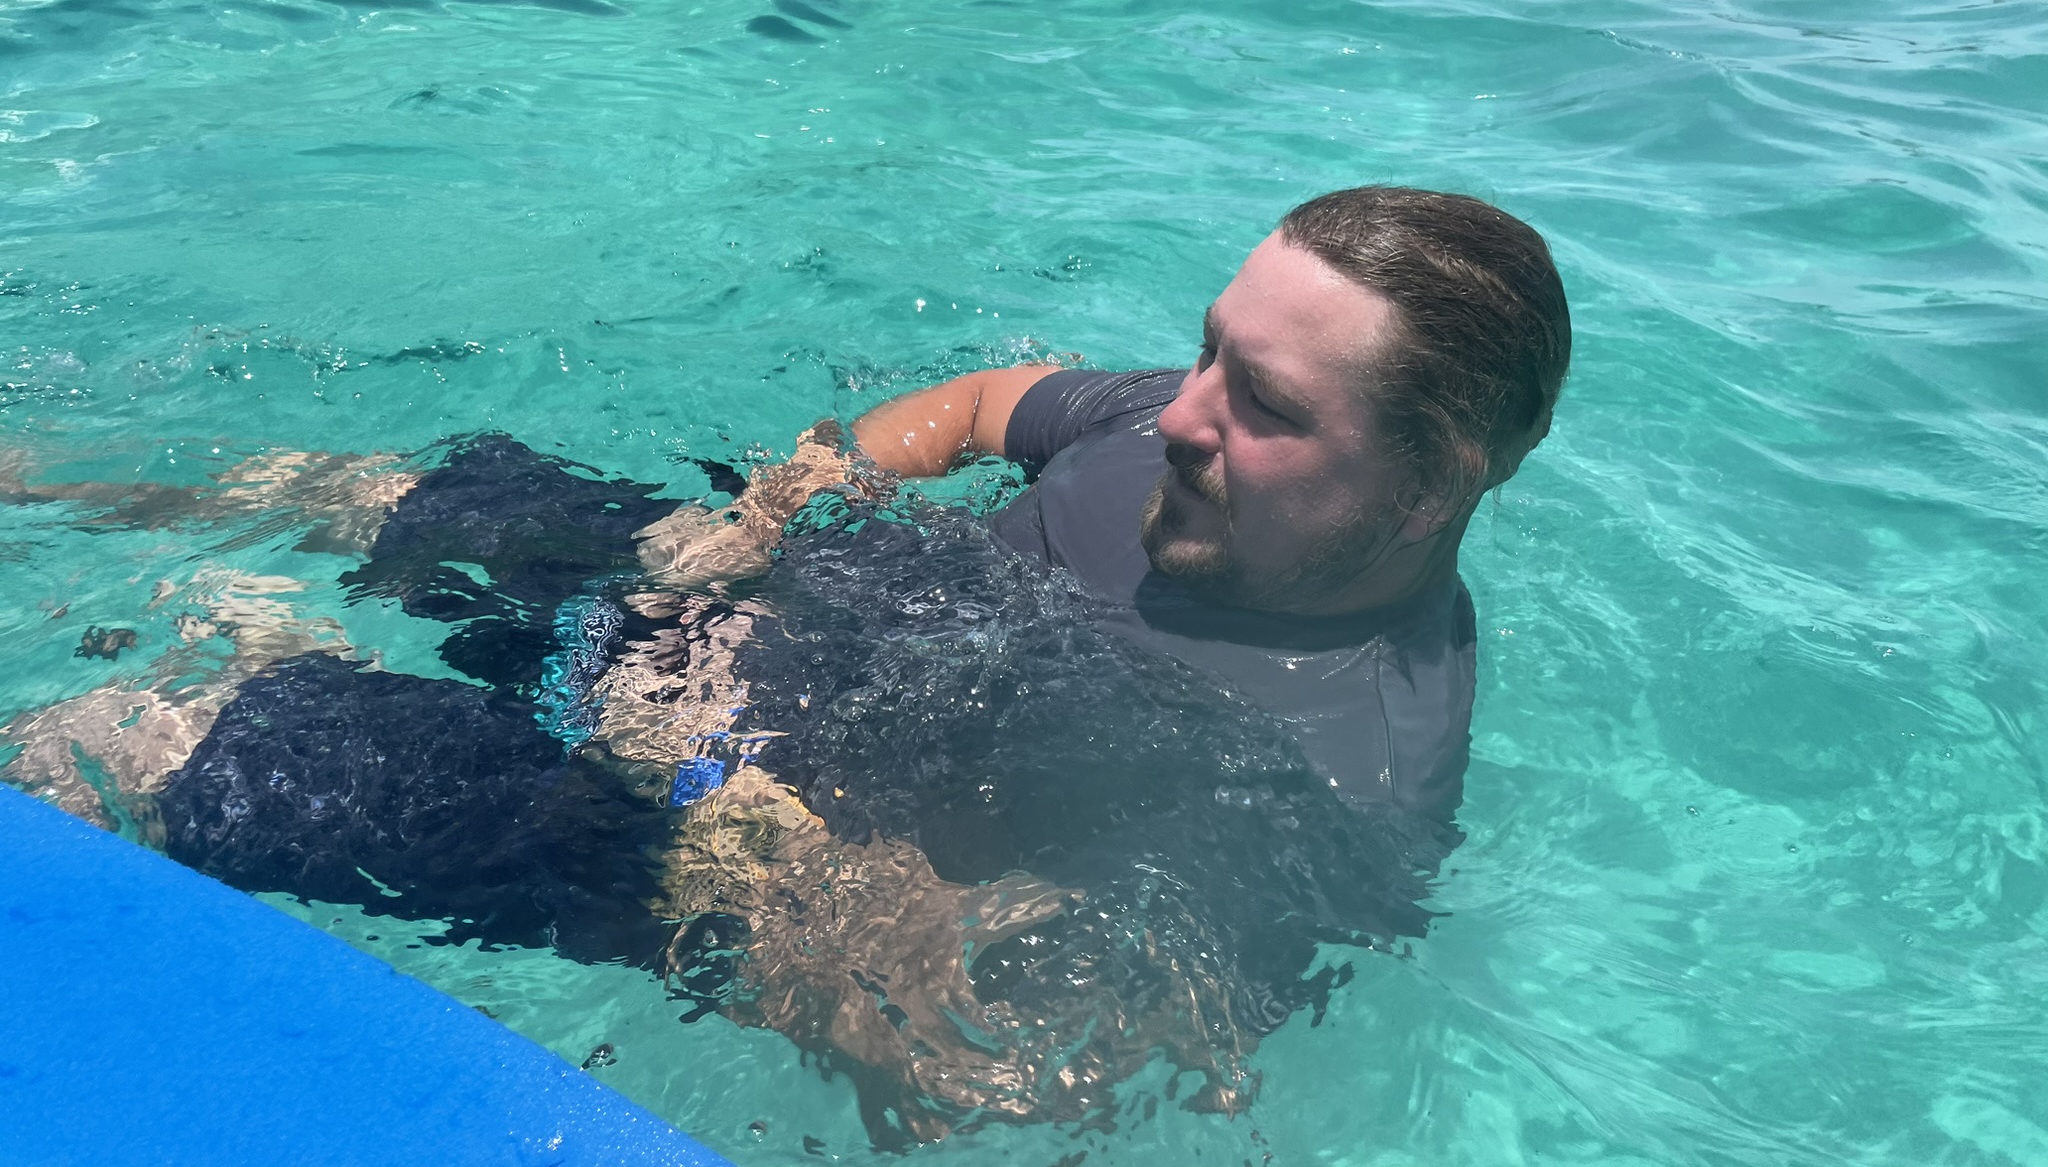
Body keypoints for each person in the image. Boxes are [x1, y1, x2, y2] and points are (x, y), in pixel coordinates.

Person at [2, 185, 1570, 1143]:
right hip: (740, 597)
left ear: (1438, 484)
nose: (1182, 413)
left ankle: (259, 667)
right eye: (1208, 346)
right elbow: (983, 404)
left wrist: (726, 814)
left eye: (1267, 405)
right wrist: (801, 493)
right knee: (333, 485)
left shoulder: (1332, 777)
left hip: (687, 813)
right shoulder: (1188, 421)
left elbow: (1026, 1073)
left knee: (113, 742)